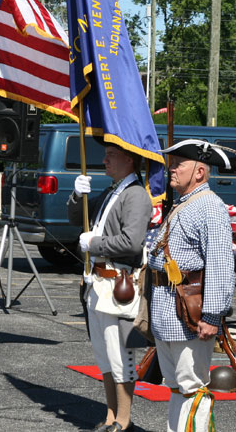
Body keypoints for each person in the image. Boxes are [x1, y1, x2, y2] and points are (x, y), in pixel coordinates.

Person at [146, 139, 234, 432]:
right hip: (169, 310)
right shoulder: (184, 203)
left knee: (192, 386)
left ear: (199, 172)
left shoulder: (209, 206)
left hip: (190, 314)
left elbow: (220, 264)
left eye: (178, 164)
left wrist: (212, 315)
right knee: (175, 386)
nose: (171, 169)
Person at [68, 143, 152, 432]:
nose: (104, 160)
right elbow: (77, 220)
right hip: (99, 283)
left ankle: (124, 420)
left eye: (110, 155)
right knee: (104, 355)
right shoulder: (113, 190)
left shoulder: (136, 195)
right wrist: (77, 197)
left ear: (129, 159)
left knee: (121, 355)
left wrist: (95, 244)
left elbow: (131, 242)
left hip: (119, 284)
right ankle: (110, 416)